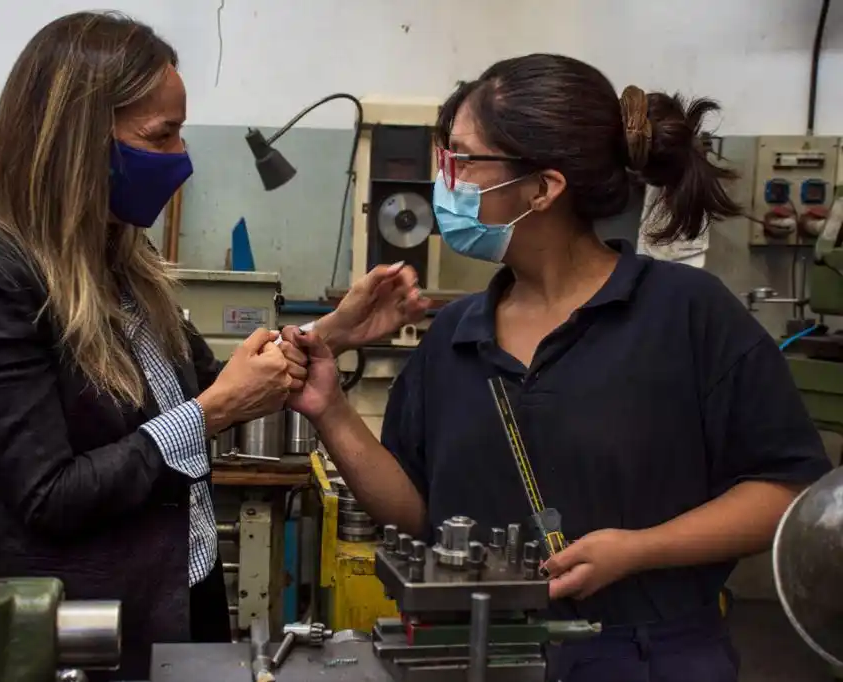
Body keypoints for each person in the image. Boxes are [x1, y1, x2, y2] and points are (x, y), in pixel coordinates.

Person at [283, 54, 832, 682]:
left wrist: (641, 549)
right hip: (477, 654)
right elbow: (418, 513)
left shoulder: (686, 315)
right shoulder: (456, 337)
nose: (446, 182)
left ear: (543, 188)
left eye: (462, 160)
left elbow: (789, 493)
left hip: (650, 657)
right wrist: (330, 408)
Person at [0, 12, 426, 681]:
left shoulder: (124, 272)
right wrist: (212, 414)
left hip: (185, 591)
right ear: (80, 142)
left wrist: (332, 330)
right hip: (89, 629)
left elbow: (205, 385)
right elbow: (48, 496)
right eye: (162, 135)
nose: (181, 156)